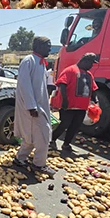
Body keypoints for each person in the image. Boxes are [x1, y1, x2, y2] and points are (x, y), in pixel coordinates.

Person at [13, 36, 53, 173]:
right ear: (38, 46)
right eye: (48, 45)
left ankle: (20, 158)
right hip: (32, 107)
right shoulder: (28, 61)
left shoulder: (41, 63)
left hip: (39, 105)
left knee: (31, 135)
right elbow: (24, 85)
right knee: (43, 134)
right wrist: (31, 106)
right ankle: (39, 164)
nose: (50, 48)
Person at [51, 53, 99, 155]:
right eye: (91, 63)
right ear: (84, 61)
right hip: (69, 105)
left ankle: (66, 144)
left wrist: (95, 100)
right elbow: (62, 85)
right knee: (64, 124)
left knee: (75, 126)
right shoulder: (70, 70)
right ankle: (52, 140)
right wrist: (64, 100)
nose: (91, 66)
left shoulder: (89, 75)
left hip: (82, 106)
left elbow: (93, 88)